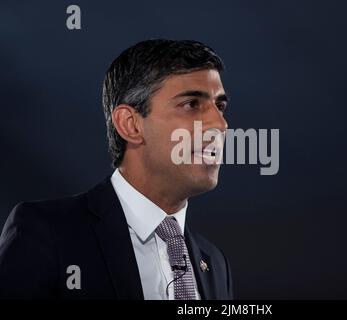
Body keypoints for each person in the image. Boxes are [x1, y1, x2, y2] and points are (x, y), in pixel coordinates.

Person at [0, 39, 233, 300]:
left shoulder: (213, 262)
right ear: (130, 125)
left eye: (220, 106)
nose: (220, 124)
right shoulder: (47, 233)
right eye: (191, 104)